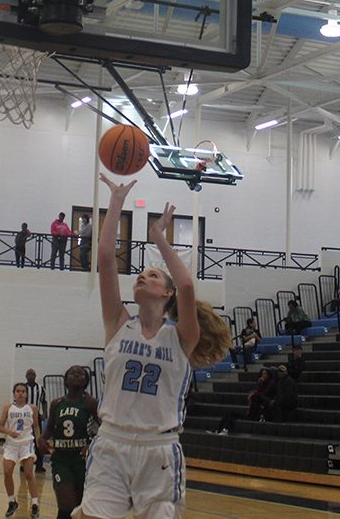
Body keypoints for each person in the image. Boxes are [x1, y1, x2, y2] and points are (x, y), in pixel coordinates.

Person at [76, 174, 232, 519]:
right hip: (111, 442)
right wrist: (116, 202)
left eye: (153, 275)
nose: (142, 277)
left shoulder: (180, 337)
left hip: (158, 449)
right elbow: (104, 259)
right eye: (140, 275)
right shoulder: (118, 323)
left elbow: (188, 286)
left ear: (166, 293)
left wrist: (159, 238)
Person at [43, 365, 98, 519]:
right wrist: (41, 439)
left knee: (79, 504)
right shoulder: (56, 403)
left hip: (82, 460)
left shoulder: (90, 403)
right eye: (72, 373)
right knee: (66, 502)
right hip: (61, 459)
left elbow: (104, 428)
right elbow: (49, 429)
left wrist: (91, 444)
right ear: (66, 380)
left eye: (80, 373)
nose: (76, 375)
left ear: (86, 380)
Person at [0, 383, 44, 518]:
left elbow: (36, 426)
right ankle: (12, 502)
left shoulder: (32, 408)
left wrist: (39, 441)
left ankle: (35, 504)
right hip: (11, 444)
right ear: (14, 393)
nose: (20, 393)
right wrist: (9, 431)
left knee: (29, 474)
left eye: (23, 391)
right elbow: (0, 427)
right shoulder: (8, 407)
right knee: (7, 472)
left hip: (26, 444)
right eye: (18, 391)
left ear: (26, 394)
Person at [24, 368, 48, 472]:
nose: (31, 376)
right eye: (29, 374)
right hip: (24, 416)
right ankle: (23, 465)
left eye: (32, 374)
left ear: (35, 376)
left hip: (36, 416)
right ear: (26, 376)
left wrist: (45, 414)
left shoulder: (40, 388)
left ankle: (39, 465)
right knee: (25, 441)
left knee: (39, 440)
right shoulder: (23, 388)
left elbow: (44, 402)